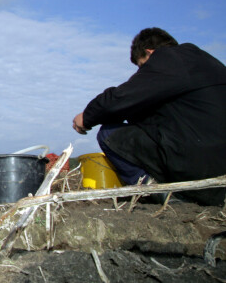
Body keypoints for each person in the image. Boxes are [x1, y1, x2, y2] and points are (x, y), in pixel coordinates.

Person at [72, 27, 226, 205]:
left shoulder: (169, 59)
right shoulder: (207, 63)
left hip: (201, 173)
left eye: (142, 67)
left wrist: (88, 116)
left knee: (109, 134)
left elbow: (124, 97)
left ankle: (158, 192)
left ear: (149, 52)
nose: (142, 74)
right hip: (220, 176)